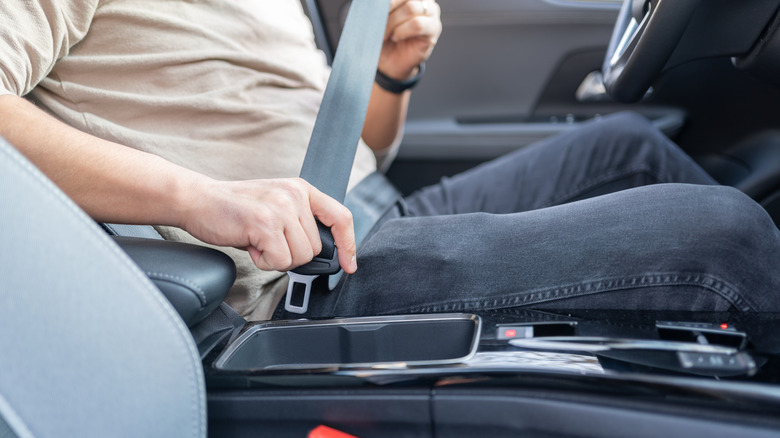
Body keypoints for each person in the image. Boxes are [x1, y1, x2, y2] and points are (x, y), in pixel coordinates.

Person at [0, 0, 778, 321]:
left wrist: (393, 69)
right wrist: (198, 198)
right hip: (292, 277)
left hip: (362, 211)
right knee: (725, 235)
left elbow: (361, 151)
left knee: (630, 146)